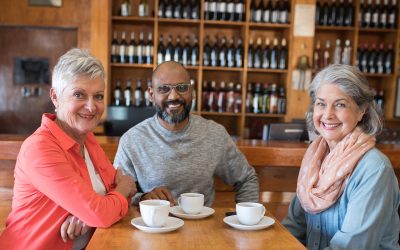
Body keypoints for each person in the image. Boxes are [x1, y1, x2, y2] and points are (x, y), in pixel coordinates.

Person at [0, 48, 136, 249]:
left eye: (98, 96)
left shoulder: (87, 139)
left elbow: (108, 201)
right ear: (55, 96)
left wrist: (87, 216)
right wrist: (113, 197)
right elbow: (113, 199)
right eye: (79, 94)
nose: (91, 107)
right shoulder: (39, 149)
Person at [282, 64, 400, 249]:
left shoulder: (375, 170)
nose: (327, 115)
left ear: (362, 111)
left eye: (340, 104)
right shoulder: (315, 158)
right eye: (321, 104)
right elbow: (292, 229)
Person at [114, 61, 259, 206]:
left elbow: (247, 179)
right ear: (151, 94)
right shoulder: (132, 140)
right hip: (153, 226)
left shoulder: (214, 134)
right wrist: (143, 198)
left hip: (202, 227)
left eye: (182, 88)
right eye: (164, 89)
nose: (173, 96)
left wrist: (246, 221)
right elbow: (117, 192)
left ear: (192, 92)